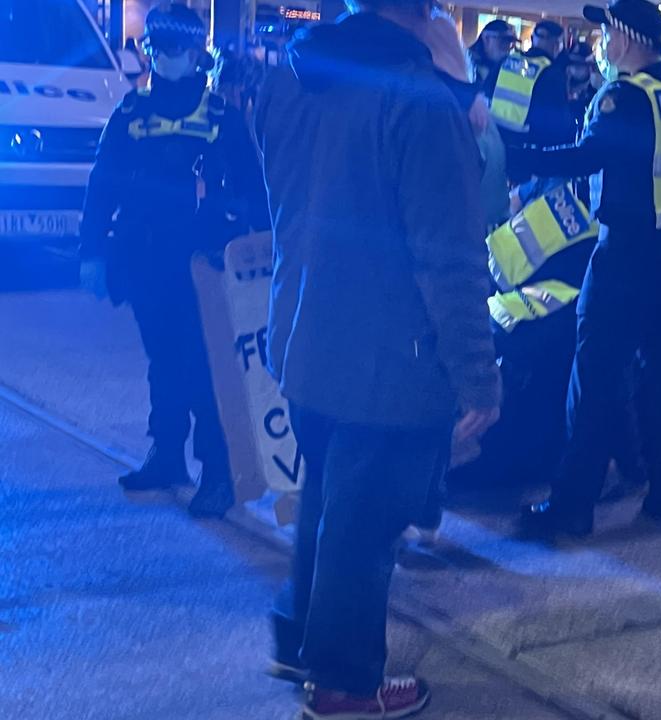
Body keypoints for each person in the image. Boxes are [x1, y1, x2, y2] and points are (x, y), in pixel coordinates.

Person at [254, 0, 501, 716]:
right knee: (364, 537)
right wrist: (478, 377)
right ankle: (344, 685)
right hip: (389, 364)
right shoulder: (418, 103)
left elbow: (284, 207)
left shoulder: (294, 81)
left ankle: (299, 641)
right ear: (427, 20)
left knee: (330, 504)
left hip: (306, 341)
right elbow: (450, 260)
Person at [515, 0, 661, 539]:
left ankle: (572, 507)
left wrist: (516, 156)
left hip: (623, 262)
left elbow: (585, 158)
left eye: (606, 33)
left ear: (626, 38)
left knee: (597, 381)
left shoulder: (623, 96)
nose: (601, 43)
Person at [79, 5, 268, 519]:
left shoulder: (223, 120)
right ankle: (166, 455)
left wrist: (254, 250)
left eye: (173, 49)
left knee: (208, 369)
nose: (163, 58)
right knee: (164, 361)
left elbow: (255, 191)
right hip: (147, 262)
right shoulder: (129, 114)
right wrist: (91, 252)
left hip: (206, 266)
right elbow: (102, 185)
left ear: (195, 55)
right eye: (156, 48)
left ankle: (218, 471)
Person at [491, 19, 576, 151]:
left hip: (495, 139)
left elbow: (484, 95)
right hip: (526, 149)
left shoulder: (506, 61)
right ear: (556, 45)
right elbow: (559, 124)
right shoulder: (552, 73)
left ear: (532, 38)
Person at [468, 18, 516, 98]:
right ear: (486, 38)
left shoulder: (504, 68)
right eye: (502, 41)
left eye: (511, 43)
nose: (507, 47)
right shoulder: (466, 63)